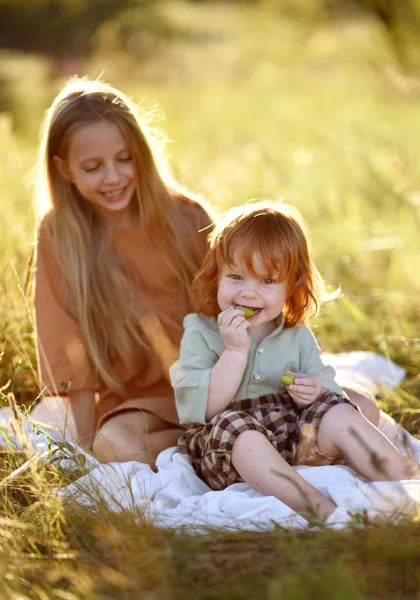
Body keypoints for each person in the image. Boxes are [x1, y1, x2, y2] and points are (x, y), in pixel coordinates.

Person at [170, 201, 412, 522]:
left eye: (267, 281)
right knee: (239, 429)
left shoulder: (296, 335)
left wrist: (314, 391)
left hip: (295, 438)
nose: (250, 293)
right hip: (231, 453)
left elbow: (328, 388)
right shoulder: (201, 331)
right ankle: (318, 508)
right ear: (216, 276)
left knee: (340, 409)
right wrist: (235, 352)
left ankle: (406, 486)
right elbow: (204, 409)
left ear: (291, 286)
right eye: (236, 276)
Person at [33, 77, 213, 465]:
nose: (113, 177)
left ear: (141, 154)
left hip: (217, 387)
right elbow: (67, 349)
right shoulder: (60, 235)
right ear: (65, 170)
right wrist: (82, 446)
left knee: (355, 408)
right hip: (140, 404)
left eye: (125, 158)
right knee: (113, 447)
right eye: (93, 167)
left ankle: (224, 435)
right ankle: (210, 445)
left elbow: (239, 308)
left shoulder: (187, 217)